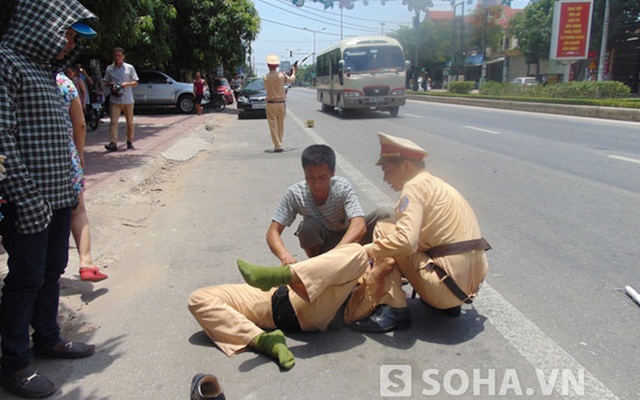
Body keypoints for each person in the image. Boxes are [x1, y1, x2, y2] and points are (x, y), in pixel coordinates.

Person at [0, 1, 98, 398]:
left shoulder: (47, 71)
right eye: (68, 33)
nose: (71, 41)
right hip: (29, 199)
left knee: (53, 270)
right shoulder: (6, 63)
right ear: (43, 26)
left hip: (58, 197)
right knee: (25, 279)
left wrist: (71, 192)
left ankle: (49, 338)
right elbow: (2, 138)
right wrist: (25, 198)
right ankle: (14, 364)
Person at [344, 132, 491, 333]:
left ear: (406, 166)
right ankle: (449, 305)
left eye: (388, 170)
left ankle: (395, 309)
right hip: (468, 288)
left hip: (445, 288)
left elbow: (406, 242)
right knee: (416, 235)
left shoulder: (412, 187)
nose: (385, 178)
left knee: (386, 227)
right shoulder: (439, 185)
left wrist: (366, 251)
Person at [188, 243, 370, 370]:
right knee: (198, 298)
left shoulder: (383, 276)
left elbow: (361, 306)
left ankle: (280, 274)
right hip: (275, 295)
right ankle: (265, 341)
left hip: (314, 308)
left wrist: (379, 269)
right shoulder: (379, 245)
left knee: (358, 252)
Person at [267, 144, 392, 265]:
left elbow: (359, 225)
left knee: (386, 214)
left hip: (352, 240)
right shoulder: (295, 194)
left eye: (322, 178)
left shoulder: (342, 187)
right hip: (326, 245)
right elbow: (273, 232)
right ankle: (319, 265)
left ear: (332, 172)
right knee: (307, 227)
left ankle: (390, 263)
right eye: (310, 177)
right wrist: (285, 256)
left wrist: (336, 254)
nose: (317, 185)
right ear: (304, 173)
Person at [56, 71, 108, 282]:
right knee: (77, 211)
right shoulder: (63, 83)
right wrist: (79, 153)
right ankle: (86, 262)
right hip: (65, 160)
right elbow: (80, 124)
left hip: (25, 163)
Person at [103, 47, 139, 152]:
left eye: (119, 55)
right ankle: (113, 142)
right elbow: (105, 82)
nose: (117, 58)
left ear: (123, 56)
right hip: (115, 99)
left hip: (127, 99)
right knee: (113, 122)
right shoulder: (109, 69)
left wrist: (125, 84)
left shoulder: (129, 68)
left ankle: (129, 141)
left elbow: (136, 82)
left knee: (130, 122)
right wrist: (112, 84)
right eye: (115, 56)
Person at [264, 54, 296, 152]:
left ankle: (277, 144)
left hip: (270, 104)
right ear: (277, 65)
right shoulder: (282, 76)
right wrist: (294, 71)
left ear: (268, 65)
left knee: (273, 125)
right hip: (281, 104)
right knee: (280, 125)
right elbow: (291, 80)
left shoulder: (265, 77)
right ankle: (279, 143)